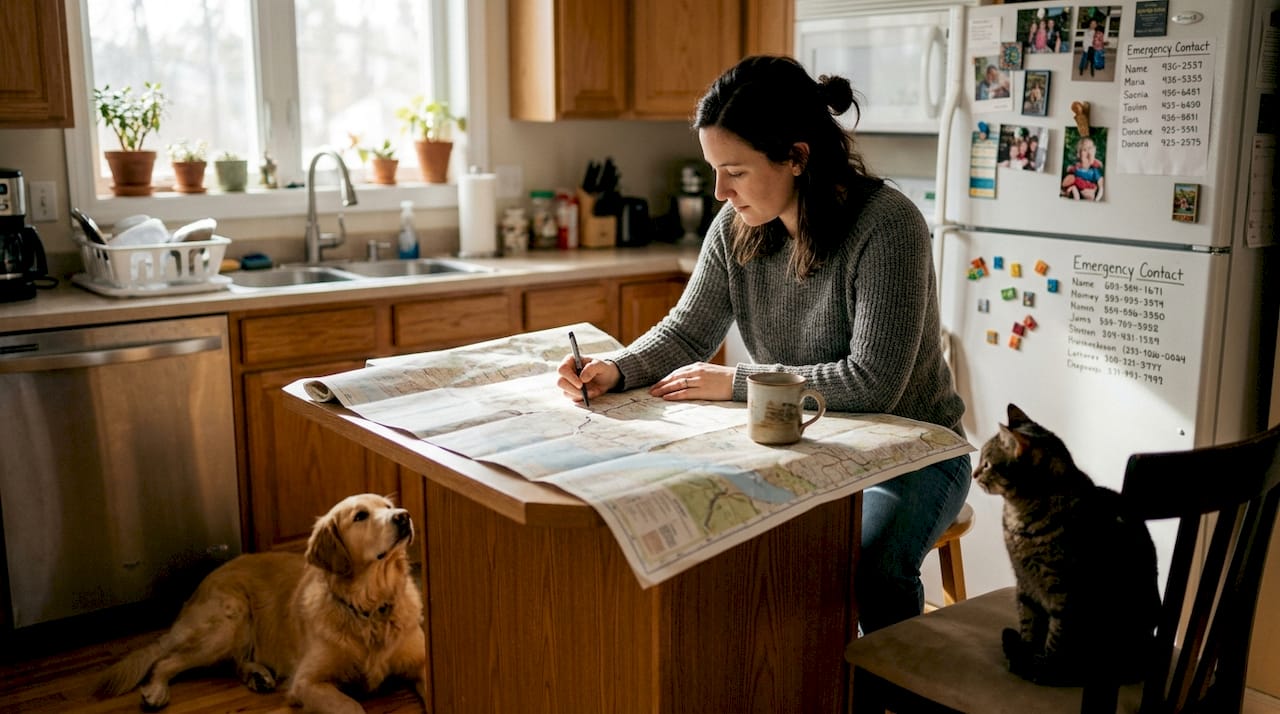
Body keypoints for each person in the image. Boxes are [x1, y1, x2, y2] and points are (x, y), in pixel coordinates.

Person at [556, 55, 970, 633]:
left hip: (914, 450)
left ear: (796, 157)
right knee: (745, 550)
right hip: (800, 440)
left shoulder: (887, 225)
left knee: (869, 565)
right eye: (714, 171)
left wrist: (735, 382)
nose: (721, 192)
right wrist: (615, 369)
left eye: (736, 171)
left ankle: (887, 694)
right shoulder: (736, 227)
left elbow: (873, 381)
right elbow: (688, 329)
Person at [1062, 135, 1105, 200]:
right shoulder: (1076, 169)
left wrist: (1096, 200)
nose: (1088, 152)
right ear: (1079, 154)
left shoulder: (1094, 171)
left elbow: (1101, 186)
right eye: (1085, 150)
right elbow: (1067, 180)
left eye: (1090, 148)